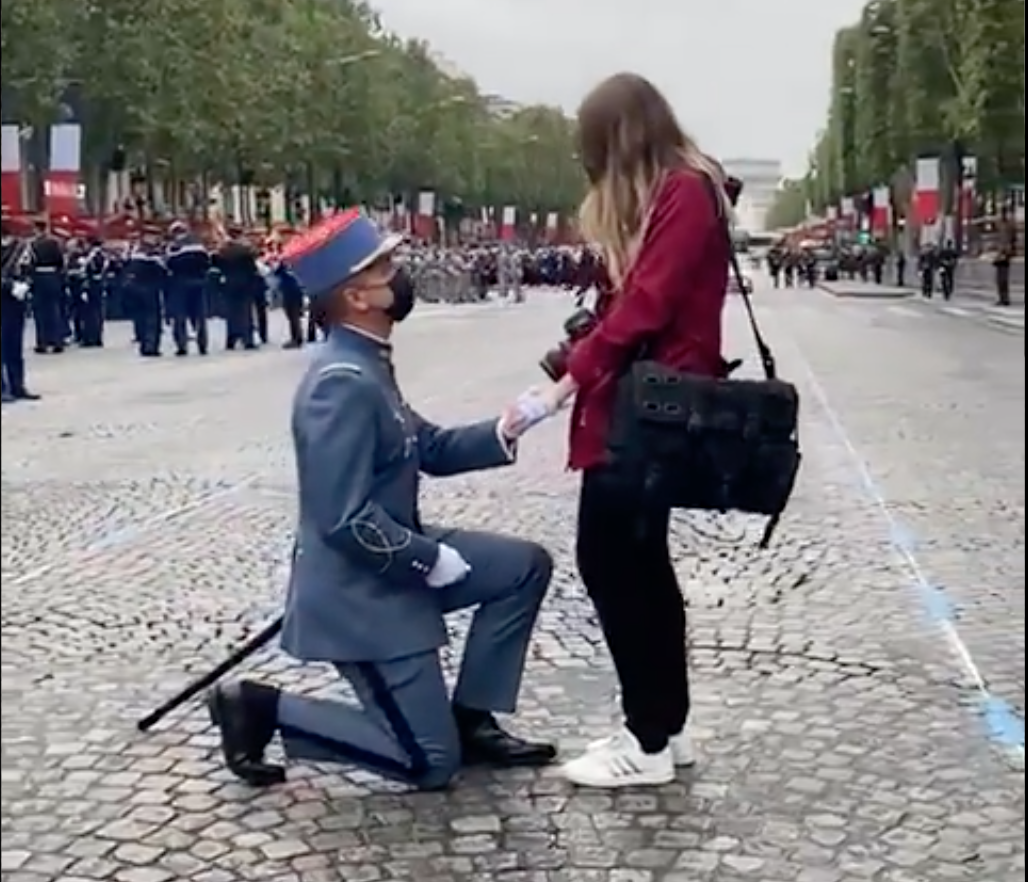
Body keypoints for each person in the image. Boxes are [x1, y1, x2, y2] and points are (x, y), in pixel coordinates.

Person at [207, 209, 555, 790]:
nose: (399, 274)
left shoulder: (367, 362)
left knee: (523, 567)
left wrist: (510, 425)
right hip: (361, 596)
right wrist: (426, 559)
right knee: (428, 763)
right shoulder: (340, 382)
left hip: (391, 567)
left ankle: (471, 718)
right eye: (385, 267)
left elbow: (429, 446)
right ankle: (262, 708)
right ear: (356, 296)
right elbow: (342, 518)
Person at [515, 73, 733, 787]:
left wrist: (564, 383)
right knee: (639, 567)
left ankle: (646, 742)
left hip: (648, 413)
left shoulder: (682, 191)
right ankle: (664, 727)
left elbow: (645, 307)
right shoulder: (686, 189)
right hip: (646, 406)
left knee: (615, 565)